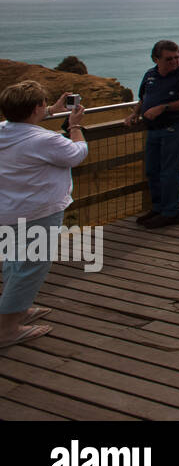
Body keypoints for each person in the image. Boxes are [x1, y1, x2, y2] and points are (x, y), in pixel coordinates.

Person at [0, 83, 88, 348]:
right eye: (43, 104)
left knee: (13, 261)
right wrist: (75, 126)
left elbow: (21, 124)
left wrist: (51, 110)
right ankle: (7, 329)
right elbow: (77, 154)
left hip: (7, 210)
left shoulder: (3, 131)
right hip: (38, 212)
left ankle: (17, 309)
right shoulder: (44, 140)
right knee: (32, 266)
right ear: (36, 107)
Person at [123, 40, 179, 229]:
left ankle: (172, 212)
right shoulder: (150, 75)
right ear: (156, 59)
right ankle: (158, 208)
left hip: (175, 129)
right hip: (153, 130)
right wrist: (134, 114)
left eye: (177, 57)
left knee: (169, 172)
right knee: (153, 170)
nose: (174, 62)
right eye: (169, 59)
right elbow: (144, 98)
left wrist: (163, 107)